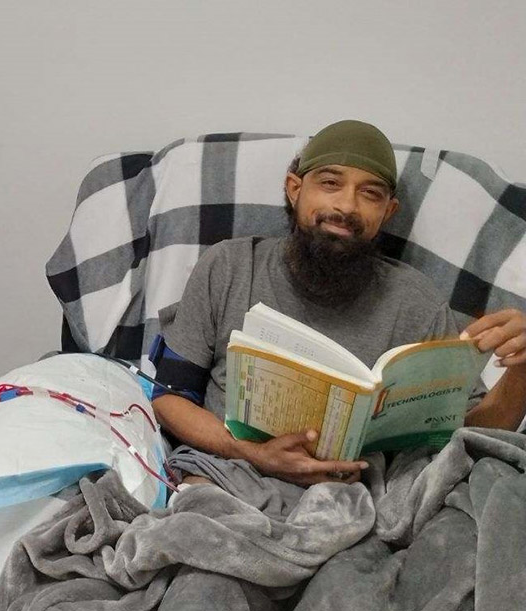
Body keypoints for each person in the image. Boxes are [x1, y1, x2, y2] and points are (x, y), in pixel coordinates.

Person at [151, 120, 526, 487]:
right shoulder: (230, 267)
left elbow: (473, 435)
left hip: (362, 499)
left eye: (371, 194)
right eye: (330, 183)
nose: (347, 205)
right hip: (228, 476)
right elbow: (169, 399)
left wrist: (523, 371)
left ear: (388, 212)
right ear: (295, 189)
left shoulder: (417, 301)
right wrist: (248, 451)